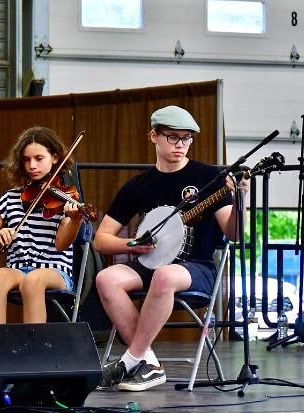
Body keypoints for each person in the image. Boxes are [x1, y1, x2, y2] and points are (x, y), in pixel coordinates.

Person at [93, 105, 249, 391]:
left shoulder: (209, 177)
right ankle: (149, 362)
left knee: (165, 275)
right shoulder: (138, 186)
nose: (181, 145)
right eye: (172, 137)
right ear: (154, 136)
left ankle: (130, 360)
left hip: (197, 267)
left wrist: (240, 200)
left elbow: (235, 233)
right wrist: (133, 245)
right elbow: (101, 238)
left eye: (187, 138)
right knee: (106, 278)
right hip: (149, 262)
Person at [0, 126, 84, 324]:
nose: (32, 165)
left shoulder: (64, 200)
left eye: (39, 159)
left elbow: (61, 245)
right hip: (17, 268)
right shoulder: (11, 198)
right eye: (27, 160)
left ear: (55, 158)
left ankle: (35, 349)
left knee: (33, 280)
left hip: (54, 271)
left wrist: (75, 219)